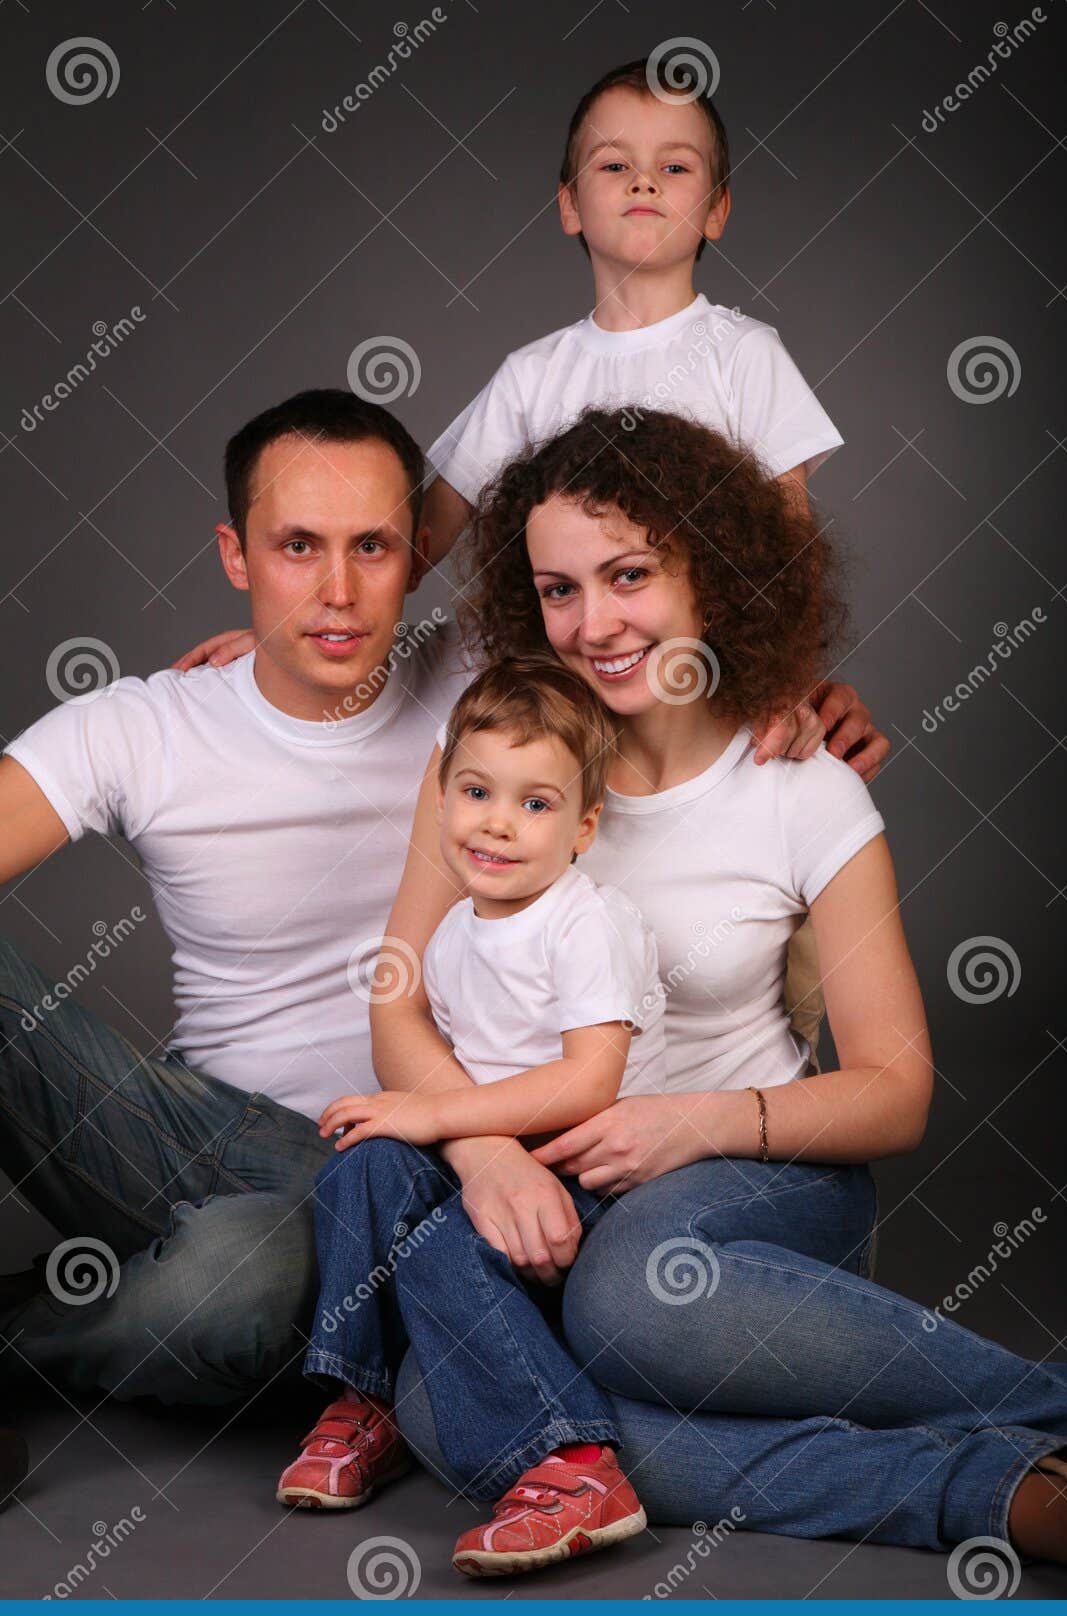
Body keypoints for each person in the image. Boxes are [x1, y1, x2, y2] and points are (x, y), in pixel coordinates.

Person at [368, 405, 1067, 1565]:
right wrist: (481, 1148)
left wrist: (689, 1124)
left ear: (711, 571)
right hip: (548, 1192)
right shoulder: (495, 769)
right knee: (448, 1410)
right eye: (556, 590)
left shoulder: (801, 789)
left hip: (753, 1184)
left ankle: (1041, 1402)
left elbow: (894, 1090)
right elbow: (396, 997)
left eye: (628, 573)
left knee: (631, 1303)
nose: (593, 623)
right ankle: (994, 1488)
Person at [174, 57, 891, 1063]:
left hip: (697, 709)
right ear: (567, 205)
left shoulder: (741, 355)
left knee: (750, 921)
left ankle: (761, 1099)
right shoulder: (532, 376)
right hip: (570, 719)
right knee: (539, 946)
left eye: (674, 167)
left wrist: (792, 685)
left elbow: (784, 546)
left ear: (716, 210)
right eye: (612, 165)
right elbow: (409, 542)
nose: (643, 183)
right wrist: (297, 636)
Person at [0, 389, 471, 1445]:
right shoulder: (149, 722)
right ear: (235, 554)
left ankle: (27, 1332)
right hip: (176, 1133)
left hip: (382, 1172)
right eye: (297, 547)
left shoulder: (483, 689)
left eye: (373, 547)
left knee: (235, 1296)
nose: (339, 590)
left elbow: (598, 500)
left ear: (421, 550)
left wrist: (793, 698)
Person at [275, 658, 666, 1578]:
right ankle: (364, 1401)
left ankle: (571, 1464)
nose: (496, 821)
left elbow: (588, 1084)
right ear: (442, 796)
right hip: (495, 1146)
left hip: (585, 1160)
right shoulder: (452, 933)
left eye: (535, 805)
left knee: (445, 1246)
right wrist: (426, 1127)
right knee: (363, 1163)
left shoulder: (585, 922)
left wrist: (439, 1113)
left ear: (583, 828)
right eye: (476, 791)